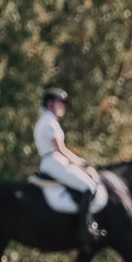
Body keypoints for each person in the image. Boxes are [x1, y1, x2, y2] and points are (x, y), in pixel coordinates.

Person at [33, 87, 101, 248]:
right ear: (50, 104)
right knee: (89, 187)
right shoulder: (50, 122)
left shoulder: (44, 121)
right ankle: (84, 229)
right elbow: (60, 149)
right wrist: (81, 162)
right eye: (60, 102)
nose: (63, 106)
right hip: (54, 161)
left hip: (51, 161)